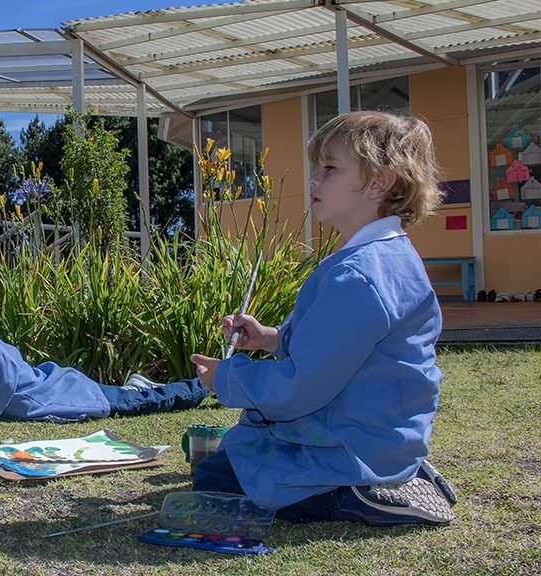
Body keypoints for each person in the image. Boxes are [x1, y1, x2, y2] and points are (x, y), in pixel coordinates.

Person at [189, 111, 457, 526]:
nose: (314, 180)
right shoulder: (388, 258)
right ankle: (396, 473)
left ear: (377, 182)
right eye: (317, 168)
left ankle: (355, 496)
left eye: (330, 169)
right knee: (233, 455)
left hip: (348, 443)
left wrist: (227, 376)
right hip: (382, 435)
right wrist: (270, 339)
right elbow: (343, 349)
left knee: (216, 476)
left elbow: (303, 386)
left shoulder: (358, 274)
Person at [0, 281, 209, 425]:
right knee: (134, 394)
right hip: (61, 384)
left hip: (74, 395)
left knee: (145, 401)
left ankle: (203, 385)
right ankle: (139, 385)